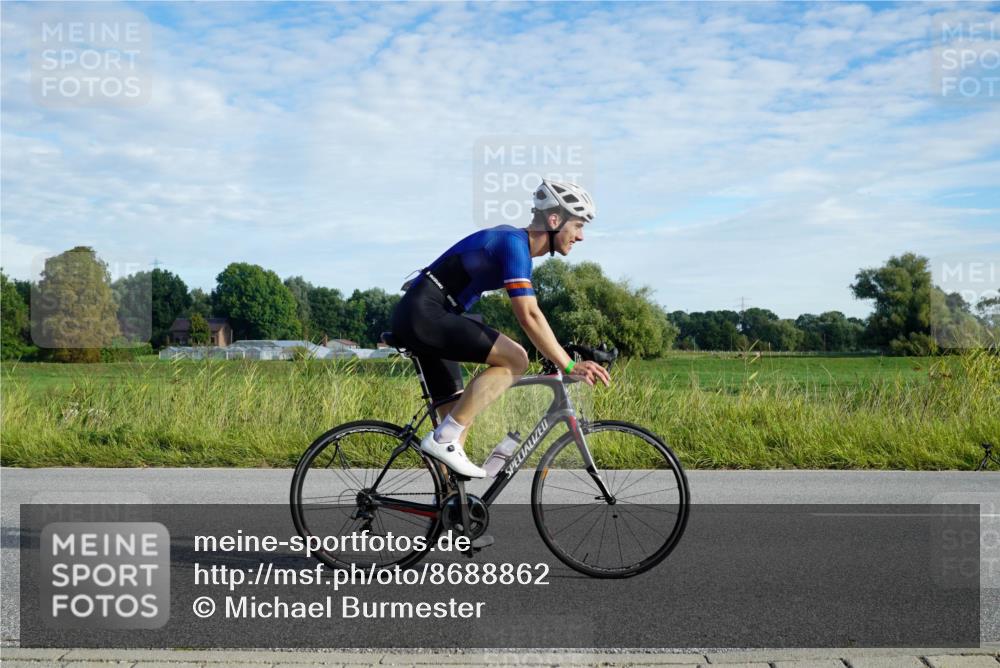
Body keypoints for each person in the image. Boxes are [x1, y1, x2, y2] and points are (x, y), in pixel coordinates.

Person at [390, 179, 611, 478]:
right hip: (425, 314)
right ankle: (444, 440)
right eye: (578, 226)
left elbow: (532, 317)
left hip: (426, 315)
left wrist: (560, 351)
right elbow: (529, 315)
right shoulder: (514, 245)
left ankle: (448, 508)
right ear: (555, 220)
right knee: (516, 359)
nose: (581, 236)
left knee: (458, 418)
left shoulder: (514, 244)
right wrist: (568, 363)